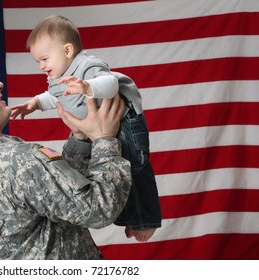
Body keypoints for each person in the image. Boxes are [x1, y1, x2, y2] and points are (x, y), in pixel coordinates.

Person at [0, 43, 132, 260]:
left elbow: (55, 197)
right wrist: (104, 139)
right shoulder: (17, 159)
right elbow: (99, 209)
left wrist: (80, 138)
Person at [11, 15, 161, 242]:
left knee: (135, 167)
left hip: (125, 123)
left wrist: (87, 86)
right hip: (99, 132)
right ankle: (132, 218)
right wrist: (35, 104)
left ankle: (146, 220)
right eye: (37, 62)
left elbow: (110, 84)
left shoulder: (87, 66)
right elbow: (54, 96)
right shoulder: (60, 76)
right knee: (113, 173)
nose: (41, 66)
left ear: (68, 50)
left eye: (44, 59)